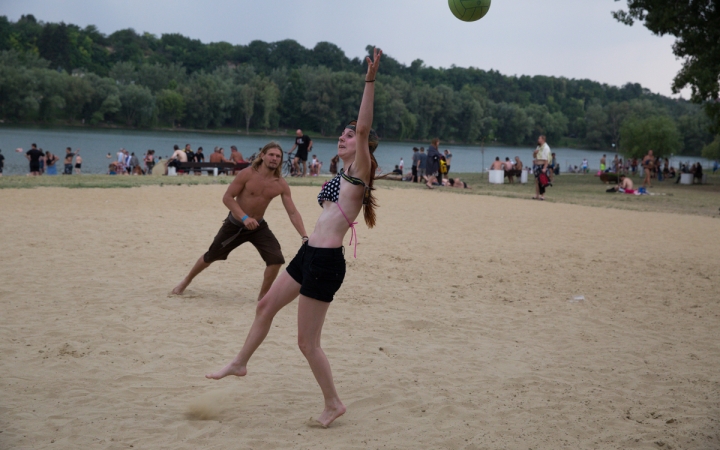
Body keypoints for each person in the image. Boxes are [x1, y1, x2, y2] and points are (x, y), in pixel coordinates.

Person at [206, 48, 384, 429]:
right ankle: (239, 363)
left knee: (307, 343)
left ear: (362, 146)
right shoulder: (343, 171)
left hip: (325, 263)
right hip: (309, 253)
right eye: (343, 132)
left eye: (349, 135)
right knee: (265, 305)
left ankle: (333, 403)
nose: (344, 136)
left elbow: (365, 128)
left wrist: (369, 81)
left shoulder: (360, 168)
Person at [173, 142, 308, 300]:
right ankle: (185, 281)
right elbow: (227, 198)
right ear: (262, 155)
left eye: (278, 156)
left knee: (276, 259)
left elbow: (292, 212)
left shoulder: (281, 184)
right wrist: (244, 217)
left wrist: (304, 236)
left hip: (258, 226)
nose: (275, 158)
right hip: (235, 225)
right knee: (211, 255)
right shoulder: (247, 174)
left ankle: (262, 297)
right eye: (271, 154)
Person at [533, 135, 551, 200]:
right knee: (537, 180)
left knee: (542, 180)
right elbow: (534, 156)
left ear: (543, 139)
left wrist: (544, 168)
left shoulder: (546, 147)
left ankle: (542, 195)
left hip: (542, 165)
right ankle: (537, 194)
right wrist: (535, 153)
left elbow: (547, 159)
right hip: (537, 165)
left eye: (539, 138)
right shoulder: (538, 147)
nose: (538, 139)